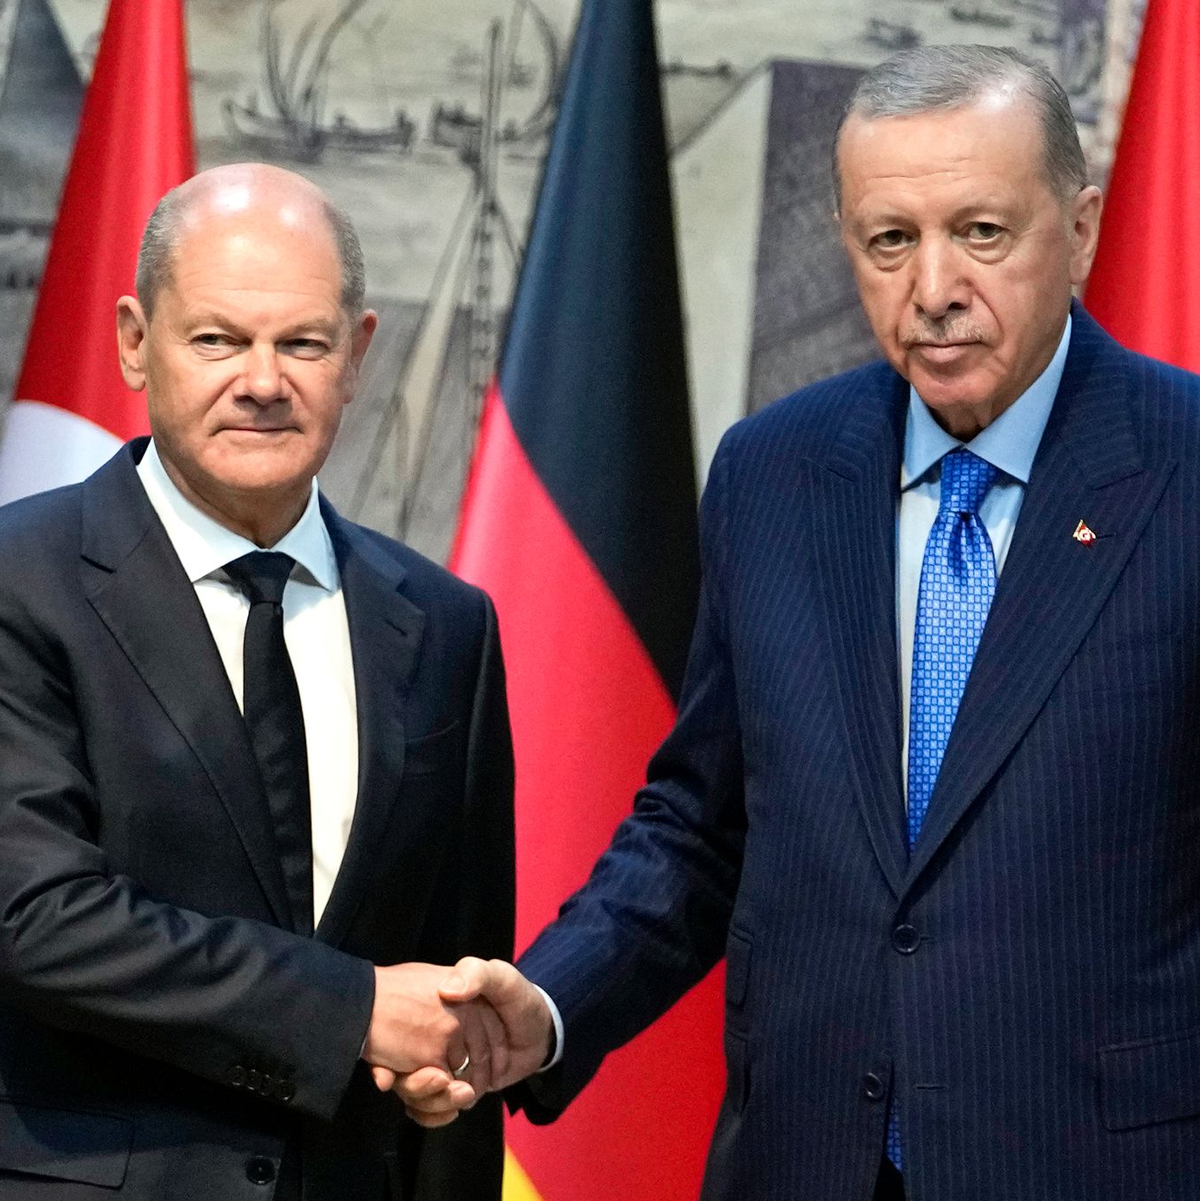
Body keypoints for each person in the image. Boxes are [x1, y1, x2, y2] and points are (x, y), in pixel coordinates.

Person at [400, 44, 1200, 1201]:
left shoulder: (1179, 469)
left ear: (1077, 231)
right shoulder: (774, 475)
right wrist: (553, 1002)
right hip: (806, 1159)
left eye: (982, 232)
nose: (933, 287)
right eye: (891, 240)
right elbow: (702, 828)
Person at [0, 164, 514, 1200]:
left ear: (359, 353)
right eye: (219, 339)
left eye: (304, 343)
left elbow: (455, 979)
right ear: (136, 343)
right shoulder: (22, 579)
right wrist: (354, 1010)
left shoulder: (448, 624)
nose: (264, 380)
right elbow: (38, 917)